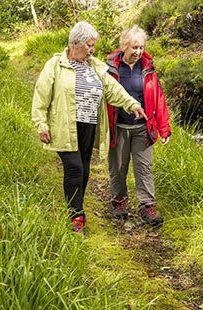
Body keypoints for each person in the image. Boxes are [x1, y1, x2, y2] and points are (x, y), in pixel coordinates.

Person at [32, 21, 146, 233]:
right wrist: (41, 124)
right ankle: (76, 215)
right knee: (74, 167)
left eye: (93, 45)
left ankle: (77, 208)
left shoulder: (95, 66)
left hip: (89, 125)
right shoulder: (56, 64)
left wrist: (132, 104)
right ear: (76, 43)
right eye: (90, 45)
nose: (92, 50)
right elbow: (41, 95)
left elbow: (113, 89)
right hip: (64, 125)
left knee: (83, 169)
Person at [104, 25, 171, 227]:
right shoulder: (110, 69)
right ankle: (119, 203)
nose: (138, 52)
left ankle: (147, 206)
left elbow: (158, 98)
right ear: (124, 46)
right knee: (118, 168)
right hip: (118, 127)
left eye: (141, 47)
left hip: (143, 128)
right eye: (134, 47)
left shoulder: (147, 69)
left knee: (144, 168)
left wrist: (164, 128)